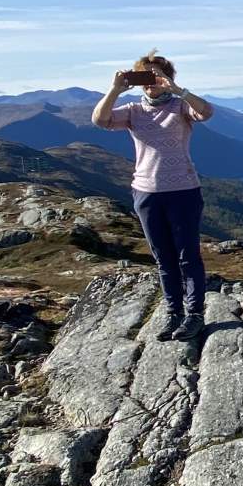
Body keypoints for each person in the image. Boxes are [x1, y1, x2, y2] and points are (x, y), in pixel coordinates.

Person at [94, 50, 215, 340]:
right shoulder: (133, 111)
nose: (150, 82)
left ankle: (194, 315)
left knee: (188, 257)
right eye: (144, 76)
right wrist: (115, 89)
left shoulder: (180, 106)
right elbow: (100, 120)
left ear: (167, 79)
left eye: (156, 76)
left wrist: (178, 90)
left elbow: (206, 113)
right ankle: (173, 314)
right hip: (147, 193)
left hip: (184, 191)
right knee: (164, 259)